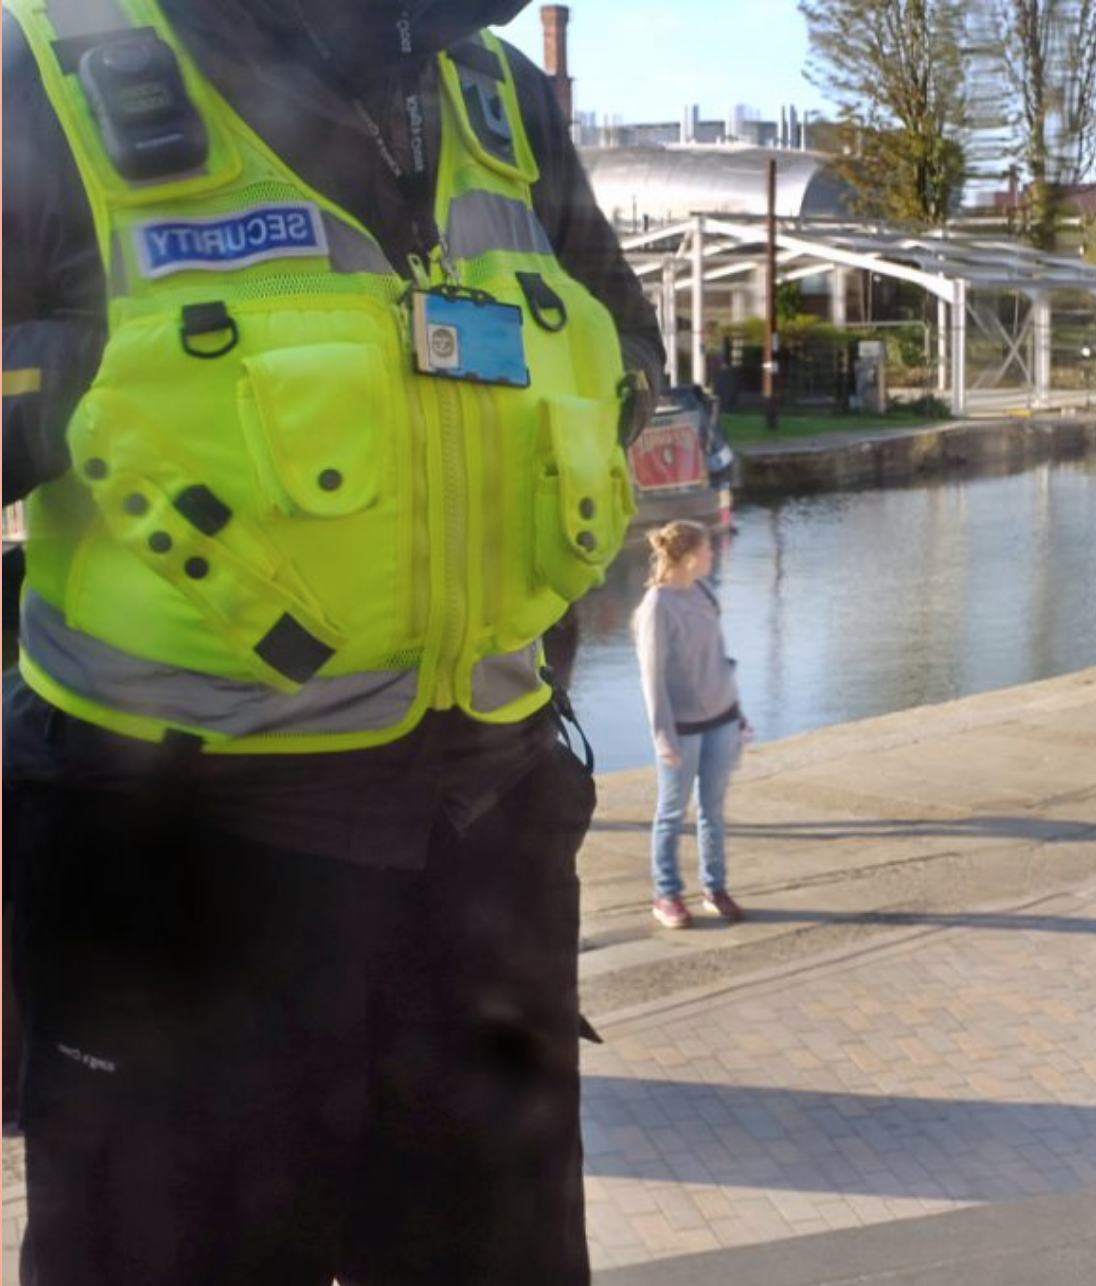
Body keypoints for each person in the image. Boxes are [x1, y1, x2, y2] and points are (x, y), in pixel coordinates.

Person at [2, 1, 665, 1282]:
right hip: (179, 888)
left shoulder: (499, 93)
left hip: (481, 867)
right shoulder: (45, 69)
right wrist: (81, 378)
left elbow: (624, 345)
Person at [634, 520, 749, 931]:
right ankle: (666, 895)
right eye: (707, 550)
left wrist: (738, 715)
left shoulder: (703, 591)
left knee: (712, 811)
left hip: (721, 721)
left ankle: (714, 889)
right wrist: (662, 736)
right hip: (681, 729)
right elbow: (652, 677)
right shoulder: (657, 606)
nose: (712, 555)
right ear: (687, 557)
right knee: (671, 813)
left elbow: (718, 657)